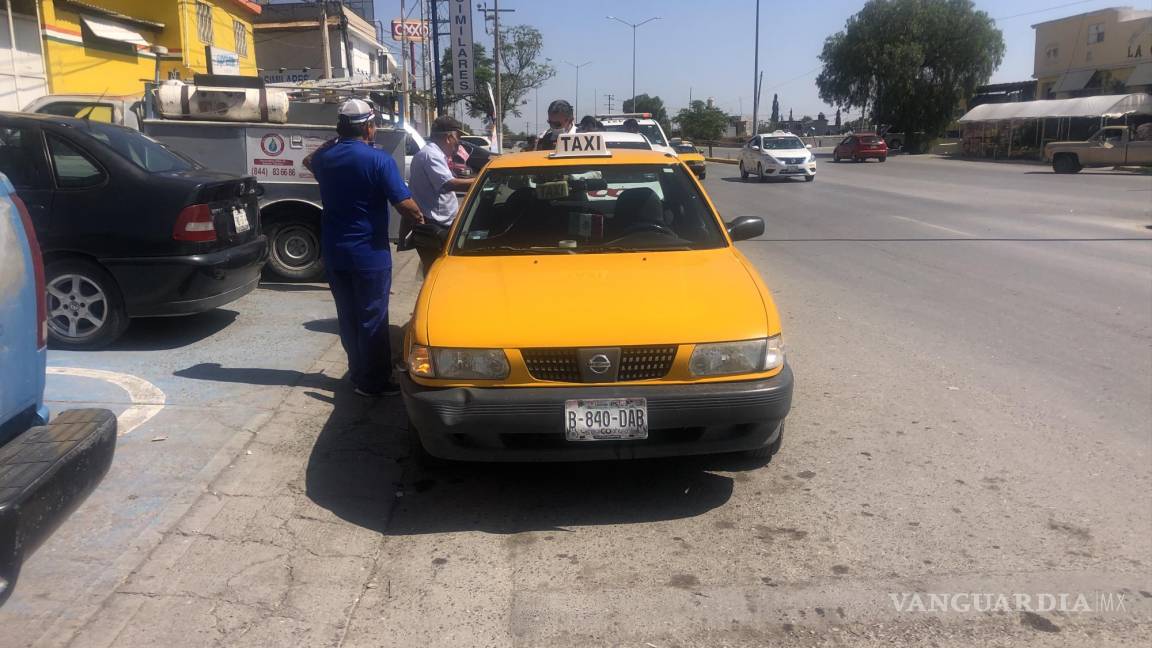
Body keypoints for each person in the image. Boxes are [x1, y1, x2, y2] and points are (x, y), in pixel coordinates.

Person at [305, 99, 424, 397]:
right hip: (369, 254)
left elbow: (308, 161)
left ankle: (358, 375)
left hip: (334, 252)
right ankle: (374, 382)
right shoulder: (378, 160)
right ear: (369, 127)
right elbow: (405, 204)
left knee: (348, 317)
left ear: (340, 128)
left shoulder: (326, 158)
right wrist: (421, 220)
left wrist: (332, 143)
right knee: (372, 318)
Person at [408, 115, 476, 275]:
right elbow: (448, 184)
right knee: (438, 274)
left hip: (439, 225)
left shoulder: (434, 154)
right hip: (434, 227)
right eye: (458, 137)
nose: (458, 143)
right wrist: (482, 180)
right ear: (449, 137)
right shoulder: (431, 155)